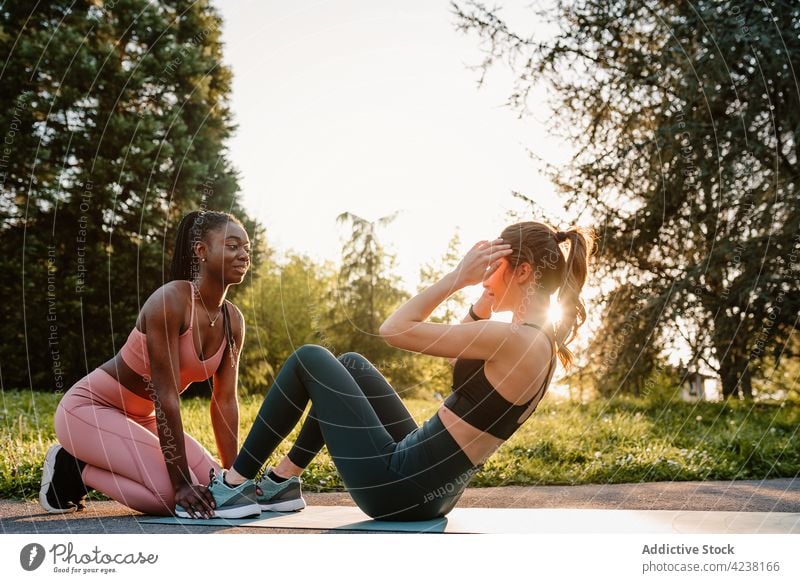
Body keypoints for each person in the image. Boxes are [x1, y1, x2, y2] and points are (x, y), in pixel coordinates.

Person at [217, 220, 595, 521]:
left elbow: (393, 329)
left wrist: (456, 278)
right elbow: (457, 361)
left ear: (524, 271)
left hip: (396, 486)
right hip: (432, 493)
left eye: (494, 269)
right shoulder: (536, 341)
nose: (483, 278)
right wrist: (483, 301)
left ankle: (233, 485)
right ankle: (283, 480)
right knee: (350, 365)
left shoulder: (511, 339)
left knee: (310, 359)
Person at [40, 210, 263, 519]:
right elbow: (166, 396)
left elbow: (225, 400)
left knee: (213, 490)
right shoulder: (170, 301)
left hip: (141, 419)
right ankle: (73, 467)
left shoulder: (233, 320)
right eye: (232, 245)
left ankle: (88, 463)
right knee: (172, 498)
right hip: (89, 409)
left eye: (247, 248)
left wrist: (234, 476)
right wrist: (182, 482)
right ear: (201, 251)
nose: (244, 255)